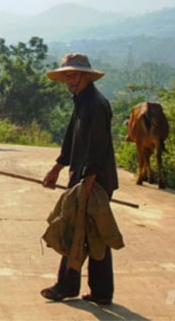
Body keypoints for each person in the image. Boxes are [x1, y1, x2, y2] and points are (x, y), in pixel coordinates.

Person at [40, 53, 119, 305]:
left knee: (78, 229)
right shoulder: (81, 101)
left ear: (85, 75)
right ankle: (101, 292)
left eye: (72, 75)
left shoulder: (96, 104)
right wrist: (57, 168)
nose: (68, 81)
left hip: (94, 180)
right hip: (83, 177)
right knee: (94, 233)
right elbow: (71, 140)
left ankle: (66, 286)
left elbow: (97, 148)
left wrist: (86, 183)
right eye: (65, 77)